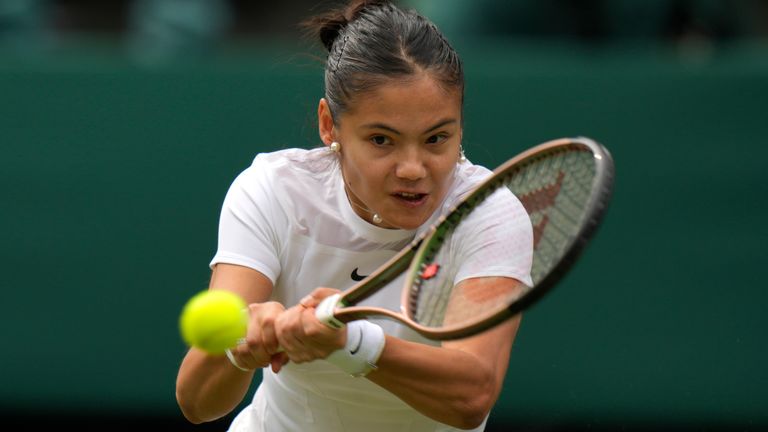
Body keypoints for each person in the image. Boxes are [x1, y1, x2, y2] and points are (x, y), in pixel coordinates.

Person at [175, 1, 533, 430]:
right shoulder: (275, 191)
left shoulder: (487, 212)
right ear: (330, 126)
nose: (414, 169)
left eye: (437, 138)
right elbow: (197, 403)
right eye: (382, 140)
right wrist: (240, 347)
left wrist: (350, 341)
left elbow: (471, 395)